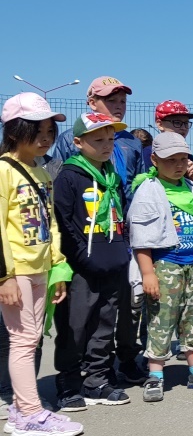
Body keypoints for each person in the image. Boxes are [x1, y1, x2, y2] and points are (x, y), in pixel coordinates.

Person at [51, 76, 147, 385]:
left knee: (122, 308)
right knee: (81, 313)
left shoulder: (131, 141)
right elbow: (66, 198)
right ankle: (74, 373)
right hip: (86, 242)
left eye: (122, 102)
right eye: (110, 101)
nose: (117, 107)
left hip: (122, 237)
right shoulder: (69, 141)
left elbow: (136, 187)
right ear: (91, 102)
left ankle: (118, 363)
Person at [0, 94, 78, 436]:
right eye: (38, 129)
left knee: (30, 339)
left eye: (50, 129)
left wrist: (58, 266)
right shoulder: (3, 170)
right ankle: (30, 414)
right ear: (15, 130)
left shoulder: (41, 171)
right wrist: (6, 276)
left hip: (40, 268)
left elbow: (51, 224)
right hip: (15, 271)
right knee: (22, 340)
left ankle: (21, 410)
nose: (46, 137)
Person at [128, 133, 193, 402]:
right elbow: (141, 238)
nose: (178, 165)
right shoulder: (148, 191)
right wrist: (147, 273)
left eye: (183, 159)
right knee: (161, 319)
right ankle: (155, 375)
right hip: (166, 265)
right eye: (171, 160)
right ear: (154, 159)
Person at [52, 112, 132, 412]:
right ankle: (69, 383)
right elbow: (63, 223)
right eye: (97, 139)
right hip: (81, 268)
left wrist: (120, 251)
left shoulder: (111, 175)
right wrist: (82, 258)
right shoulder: (69, 176)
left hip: (112, 262)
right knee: (74, 325)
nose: (106, 145)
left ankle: (96, 379)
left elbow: (120, 215)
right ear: (77, 142)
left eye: (110, 139)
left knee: (104, 324)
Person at [140, 101, 193, 181]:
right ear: (160, 124)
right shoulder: (149, 153)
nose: (183, 128)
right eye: (177, 123)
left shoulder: (187, 155)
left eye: (186, 123)